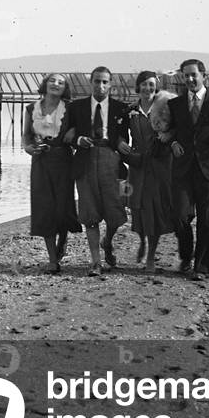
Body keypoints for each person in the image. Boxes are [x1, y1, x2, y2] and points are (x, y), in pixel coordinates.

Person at [162, 59, 209, 281]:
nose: (190, 79)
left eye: (194, 75)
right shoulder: (175, 104)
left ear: (204, 75)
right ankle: (186, 255)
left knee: (208, 219)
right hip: (183, 167)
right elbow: (170, 131)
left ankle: (202, 268)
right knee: (180, 215)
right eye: (186, 76)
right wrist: (172, 143)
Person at [65, 66, 130, 275]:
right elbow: (67, 134)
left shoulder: (121, 108)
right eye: (96, 81)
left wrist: (121, 145)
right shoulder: (77, 107)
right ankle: (95, 262)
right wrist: (78, 139)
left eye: (104, 82)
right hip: (85, 161)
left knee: (115, 211)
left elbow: (124, 138)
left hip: (111, 162)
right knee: (89, 213)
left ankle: (107, 241)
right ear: (90, 82)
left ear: (110, 84)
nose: (100, 86)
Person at [21, 73, 82, 272]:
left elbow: (82, 128)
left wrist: (75, 131)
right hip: (41, 161)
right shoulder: (31, 108)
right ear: (45, 84)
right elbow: (26, 137)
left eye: (61, 82)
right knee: (44, 208)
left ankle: (63, 238)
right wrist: (29, 148)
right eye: (53, 80)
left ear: (65, 88)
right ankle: (53, 259)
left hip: (63, 160)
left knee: (62, 207)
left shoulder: (71, 109)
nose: (56, 84)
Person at [117, 71, 175, 270]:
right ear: (138, 87)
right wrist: (121, 143)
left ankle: (151, 255)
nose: (147, 88)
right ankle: (142, 239)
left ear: (156, 86)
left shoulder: (165, 107)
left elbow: (176, 129)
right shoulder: (130, 110)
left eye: (151, 85)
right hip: (137, 165)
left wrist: (169, 137)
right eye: (144, 85)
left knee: (155, 209)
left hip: (159, 164)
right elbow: (120, 135)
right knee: (137, 207)